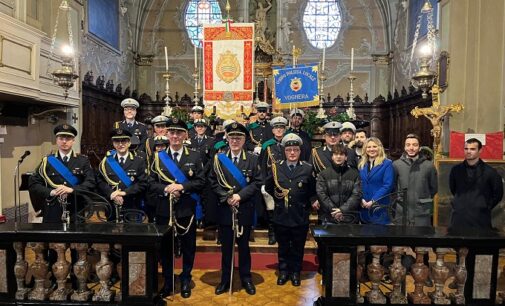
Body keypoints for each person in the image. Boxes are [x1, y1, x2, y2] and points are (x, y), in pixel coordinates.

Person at [149, 117, 205, 299]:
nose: (175, 136)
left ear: (185, 135)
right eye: (171, 132)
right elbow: (150, 183)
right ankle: (168, 280)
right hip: (165, 209)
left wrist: (182, 187)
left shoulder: (195, 156)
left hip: (186, 210)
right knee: (165, 248)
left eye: (179, 132)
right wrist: (166, 189)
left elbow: (201, 181)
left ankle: (186, 278)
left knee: (189, 247)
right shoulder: (158, 157)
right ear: (166, 133)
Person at [209, 122, 261, 296]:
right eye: (232, 137)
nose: (235, 140)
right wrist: (227, 197)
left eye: (238, 137)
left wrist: (240, 196)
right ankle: (225, 279)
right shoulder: (219, 158)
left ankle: (246, 278)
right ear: (227, 139)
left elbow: (257, 182)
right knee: (226, 248)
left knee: (244, 247)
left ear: (245, 139)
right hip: (225, 209)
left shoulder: (252, 159)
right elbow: (212, 181)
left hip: (244, 208)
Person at [265, 133, 316, 287]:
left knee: (298, 247)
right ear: (284, 152)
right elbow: (269, 187)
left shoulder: (307, 169)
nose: (292, 153)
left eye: (295, 150)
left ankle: (295, 272)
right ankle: (283, 271)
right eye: (289, 150)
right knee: (283, 246)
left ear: (300, 152)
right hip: (281, 215)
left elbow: (312, 191)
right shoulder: (276, 168)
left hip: (300, 215)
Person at [29, 124, 95, 223]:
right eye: (61, 138)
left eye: (68, 138)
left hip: (76, 208)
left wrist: (72, 189)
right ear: (56, 140)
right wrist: (52, 192)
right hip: (52, 208)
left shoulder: (83, 161)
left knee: (75, 237)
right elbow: (34, 184)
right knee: (53, 237)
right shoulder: (47, 161)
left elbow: (91, 182)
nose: (64, 141)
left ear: (73, 140)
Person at [449, 138, 503, 231]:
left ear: (480, 150)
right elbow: (453, 189)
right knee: (458, 244)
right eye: (466, 149)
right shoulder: (456, 170)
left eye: (472, 149)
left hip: (480, 219)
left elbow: (498, 194)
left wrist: (484, 206)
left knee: (479, 245)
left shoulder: (490, 172)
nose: (468, 151)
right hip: (459, 218)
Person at [96, 129, 148, 222]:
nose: (120, 144)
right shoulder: (106, 162)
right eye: (117, 141)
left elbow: (143, 183)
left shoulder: (138, 161)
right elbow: (100, 181)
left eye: (124, 141)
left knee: (132, 234)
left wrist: (124, 193)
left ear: (129, 142)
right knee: (112, 234)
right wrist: (111, 193)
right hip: (111, 205)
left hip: (132, 204)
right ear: (113, 144)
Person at [393, 133, 438, 226]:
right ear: (404, 147)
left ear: (419, 147)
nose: (411, 148)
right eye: (408, 145)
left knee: (421, 239)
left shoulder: (428, 166)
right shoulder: (396, 165)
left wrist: (423, 197)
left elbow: (434, 188)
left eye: (415, 145)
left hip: (421, 212)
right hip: (402, 212)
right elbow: (393, 187)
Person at [259, 116, 288, 245]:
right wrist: (264, 182)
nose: (279, 130)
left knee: (284, 209)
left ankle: (283, 234)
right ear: (272, 130)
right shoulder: (267, 145)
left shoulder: (289, 143)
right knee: (271, 209)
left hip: (286, 181)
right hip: (271, 181)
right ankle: (272, 234)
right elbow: (262, 164)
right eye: (276, 128)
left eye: (281, 127)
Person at [316, 143, 362, 224]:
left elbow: (356, 195)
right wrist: (335, 211)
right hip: (328, 218)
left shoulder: (355, 174)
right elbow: (321, 194)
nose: (338, 157)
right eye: (336, 154)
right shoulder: (323, 174)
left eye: (341, 154)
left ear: (346, 157)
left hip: (349, 218)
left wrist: (342, 210)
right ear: (332, 157)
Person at [358, 137, 395, 225]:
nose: (371, 149)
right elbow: (358, 183)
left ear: (380, 148)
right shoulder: (361, 164)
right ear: (365, 149)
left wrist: (373, 201)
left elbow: (388, 185)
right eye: (368, 147)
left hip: (380, 207)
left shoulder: (387, 163)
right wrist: (361, 199)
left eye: (374, 146)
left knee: (379, 236)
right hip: (363, 207)